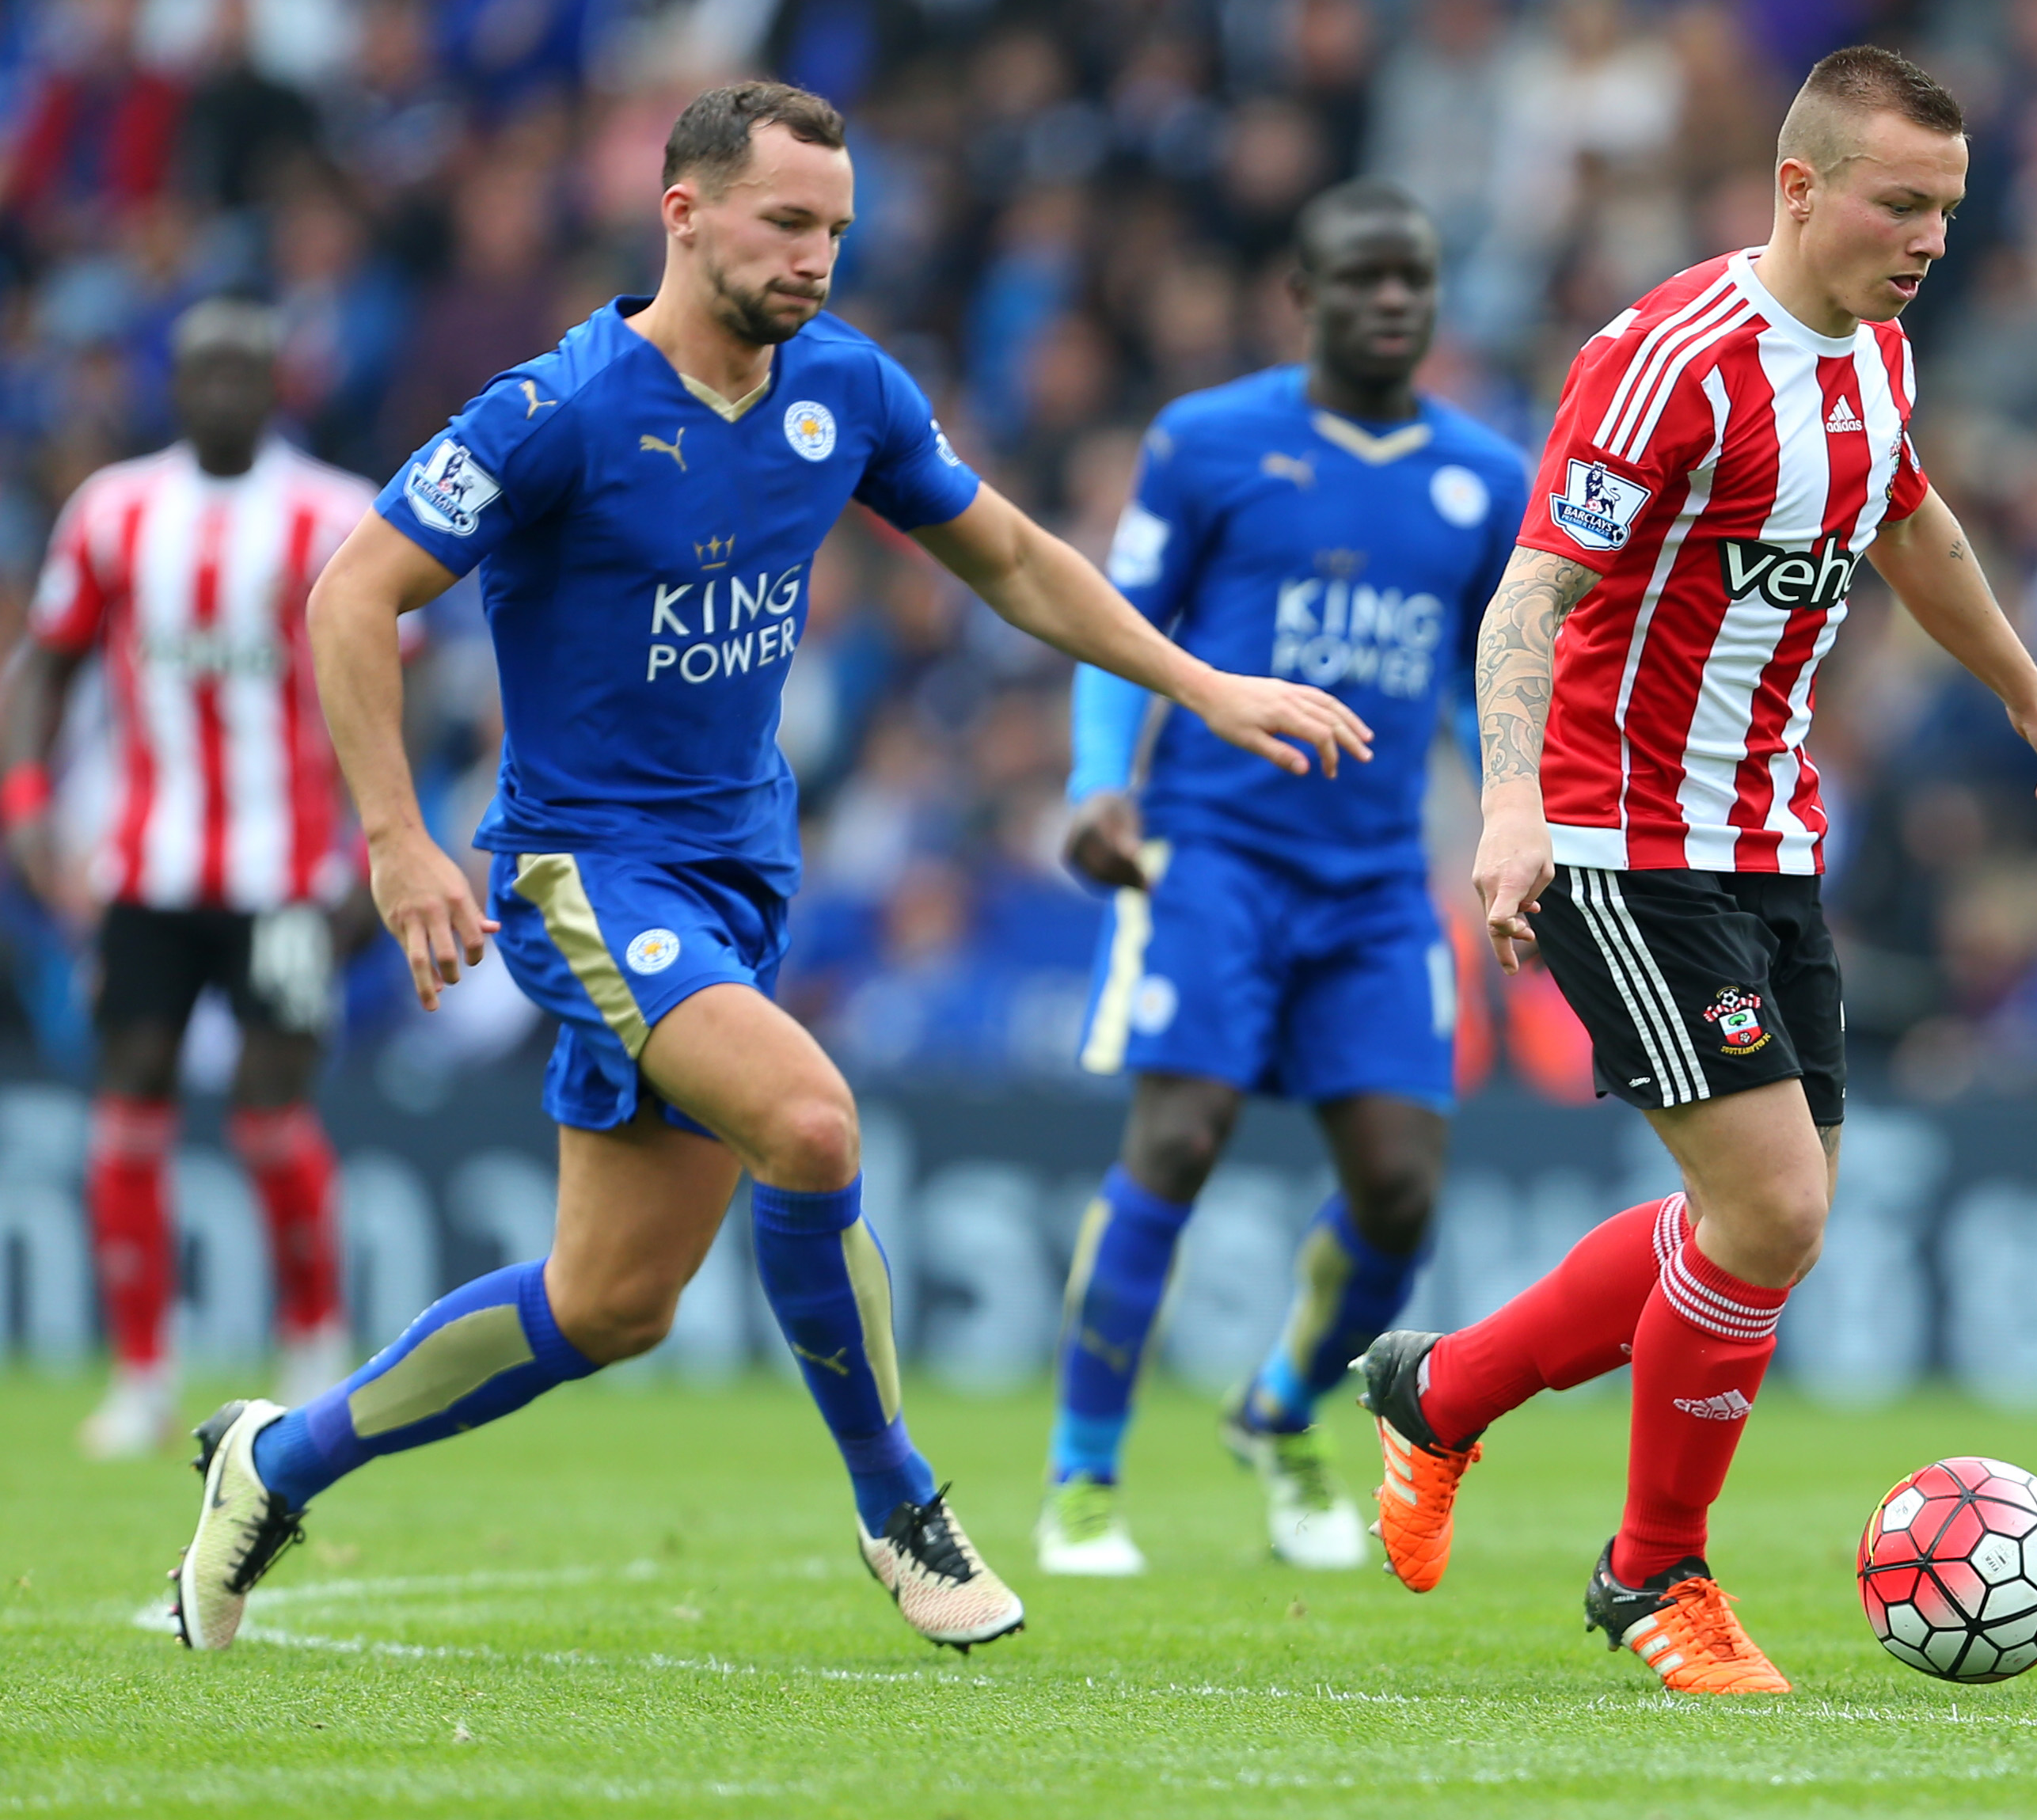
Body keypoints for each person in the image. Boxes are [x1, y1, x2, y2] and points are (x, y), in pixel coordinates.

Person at [165, 80, 1368, 1654]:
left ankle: (275, 1462)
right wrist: (398, 840)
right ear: (685, 214)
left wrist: (1199, 686)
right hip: (586, 875)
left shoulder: (846, 390)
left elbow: (1010, 557)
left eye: (837, 231)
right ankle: (901, 1506)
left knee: (608, 1303)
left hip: (738, 878)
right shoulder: (556, 411)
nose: (817, 257)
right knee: (809, 1122)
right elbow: (350, 593)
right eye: (787, 223)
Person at [1351, 45, 2037, 1693]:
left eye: (1947, 210)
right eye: (1900, 205)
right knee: (1768, 1210)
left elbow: (1910, 522)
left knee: (1765, 1219)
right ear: (1799, 186)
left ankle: (1444, 1392)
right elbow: (1530, 595)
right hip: (1616, 831)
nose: (1930, 240)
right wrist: (1506, 808)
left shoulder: (1878, 354)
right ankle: (1654, 1576)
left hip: (1768, 836)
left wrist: (2028, 693)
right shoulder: (1668, 360)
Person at [1036, 180, 1529, 1576]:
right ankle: (1081, 1479)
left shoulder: (1486, 480)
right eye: (1363, 278)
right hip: (1213, 854)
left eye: (1413, 279)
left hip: (1373, 884)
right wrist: (1100, 780)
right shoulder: (1206, 442)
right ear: (1301, 297)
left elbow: (1482, 679)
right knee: (1178, 1138)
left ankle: (1279, 1409)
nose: (1392, 301)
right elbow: (1120, 622)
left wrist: (1513, 809)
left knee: (1400, 1192)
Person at [3, 301, 382, 1457]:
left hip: (288, 873)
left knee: (272, 1104)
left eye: (242, 371)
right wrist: (27, 803)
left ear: (276, 387)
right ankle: (142, 1376)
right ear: (174, 384)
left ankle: (315, 1351)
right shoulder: (114, 510)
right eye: (203, 371)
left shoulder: (335, 515)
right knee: (130, 1094)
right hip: (148, 869)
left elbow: (395, 678)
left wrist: (383, 844)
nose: (221, 390)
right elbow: (46, 664)